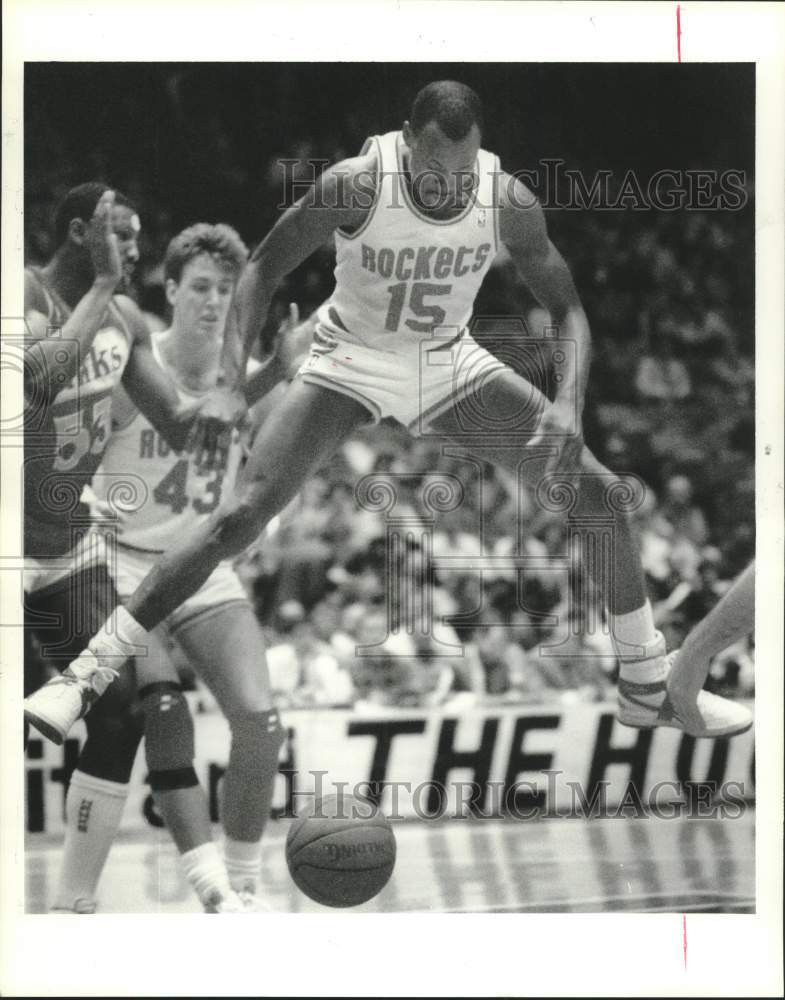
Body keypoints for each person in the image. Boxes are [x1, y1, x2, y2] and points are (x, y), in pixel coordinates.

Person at [26, 81, 752, 743]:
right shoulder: (355, 184)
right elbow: (262, 269)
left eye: (461, 173)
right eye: (434, 171)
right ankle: (83, 677)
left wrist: (568, 401)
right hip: (351, 358)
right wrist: (227, 382)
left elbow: (567, 308)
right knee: (237, 518)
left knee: (600, 493)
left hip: (446, 361)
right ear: (405, 142)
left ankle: (645, 682)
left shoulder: (506, 199)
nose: (448, 186)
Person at [22, 184, 245, 913]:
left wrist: (257, 381)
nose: (134, 248)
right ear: (79, 233)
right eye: (120, 233)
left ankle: (72, 903)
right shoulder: (23, 291)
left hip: (63, 549)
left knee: (121, 709)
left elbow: (178, 425)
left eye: (137, 236)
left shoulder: (122, 319)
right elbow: (35, 382)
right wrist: (104, 285)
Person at [88, 221, 308, 912]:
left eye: (225, 292)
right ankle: (209, 884)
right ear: (172, 290)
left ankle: (243, 884)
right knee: (163, 708)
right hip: (124, 567)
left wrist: (267, 523)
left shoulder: (253, 379)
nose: (214, 302)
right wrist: (85, 500)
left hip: (204, 568)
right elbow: (73, 451)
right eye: (201, 288)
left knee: (261, 724)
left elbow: (269, 473)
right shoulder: (132, 362)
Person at [662, 563, 754, 735]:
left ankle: (732, 694)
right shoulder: (687, 592)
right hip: (699, 644)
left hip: (717, 644)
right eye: (706, 574)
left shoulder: (719, 591)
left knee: (740, 668)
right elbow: (669, 613)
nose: (709, 578)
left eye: (711, 574)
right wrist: (692, 650)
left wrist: (694, 651)